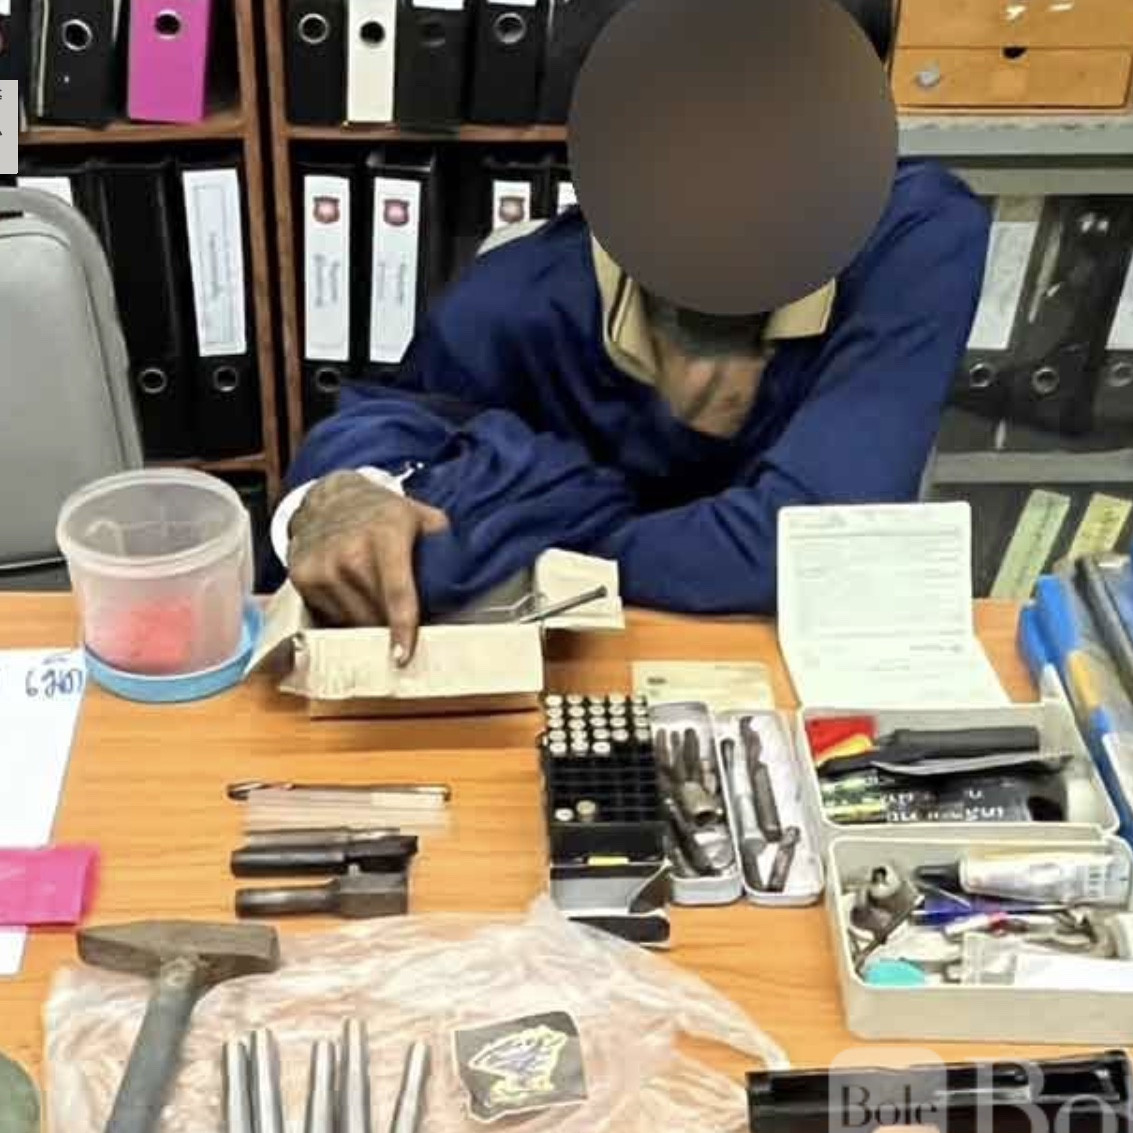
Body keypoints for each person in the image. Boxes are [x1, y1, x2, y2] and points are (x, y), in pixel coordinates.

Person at [270, 1, 991, 663]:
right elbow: (379, 430)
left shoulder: (911, 236)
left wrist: (513, 540)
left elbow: (816, 544)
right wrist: (345, 497)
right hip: (579, 674)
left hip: (792, 673)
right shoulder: (516, 299)